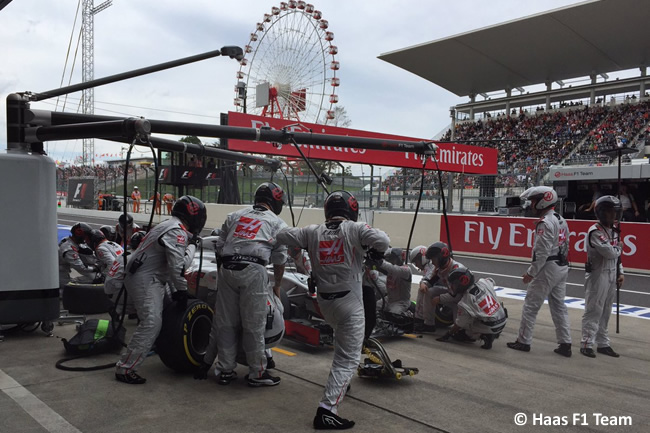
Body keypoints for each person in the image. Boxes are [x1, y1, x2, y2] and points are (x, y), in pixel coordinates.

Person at [276, 190, 389, 430]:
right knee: (348, 358)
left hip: (325, 303)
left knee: (340, 342)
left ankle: (341, 383)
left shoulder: (311, 231)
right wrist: (373, 252)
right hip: (350, 302)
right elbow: (383, 241)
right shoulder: (355, 229)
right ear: (352, 210)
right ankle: (327, 410)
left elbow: (283, 235)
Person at [196, 182, 288, 387]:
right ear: (276, 202)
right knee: (254, 325)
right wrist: (277, 286)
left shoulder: (234, 215)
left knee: (226, 323)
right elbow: (280, 260)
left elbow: (219, 245)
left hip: (227, 268)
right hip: (254, 269)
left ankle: (225, 370)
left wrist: (224, 271)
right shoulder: (277, 223)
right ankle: (257, 372)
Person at [115, 195, 206, 384]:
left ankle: (154, 346)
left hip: (149, 276)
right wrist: (181, 289)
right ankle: (125, 368)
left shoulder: (169, 225)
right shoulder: (176, 231)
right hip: (146, 279)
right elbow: (178, 267)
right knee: (152, 322)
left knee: (163, 317)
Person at [507, 186, 572, 357]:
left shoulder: (544, 223)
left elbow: (541, 252)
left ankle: (523, 341)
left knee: (530, 305)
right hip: (562, 266)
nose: (531, 205)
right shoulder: (561, 219)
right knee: (559, 306)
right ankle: (565, 343)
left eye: (534, 201)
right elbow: (566, 244)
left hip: (547, 268)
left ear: (545, 200)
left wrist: (531, 272)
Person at [580, 196, 624, 358]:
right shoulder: (595, 231)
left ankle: (603, 343)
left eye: (615, 212)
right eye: (611, 212)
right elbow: (610, 253)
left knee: (606, 310)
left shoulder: (614, 231)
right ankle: (586, 343)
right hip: (597, 275)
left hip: (612, 273)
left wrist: (621, 272)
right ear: (601, 213)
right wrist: (619, 247)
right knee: (594, 310)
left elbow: (616, 258)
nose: (614, 216)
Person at [437, 265, 507, 350]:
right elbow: (491, 281)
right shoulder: (483, 282)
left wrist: (448, 334)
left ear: (461, 283)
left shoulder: (465, 301)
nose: (452, 287)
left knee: (465, 328)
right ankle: (490, 331)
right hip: (503, 318)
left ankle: (483, 335)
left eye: (454, 284)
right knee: (479, 313)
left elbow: (459, 324)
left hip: (492, 325)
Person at [87, 229, 126, 317]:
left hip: (118, 277)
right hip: (126, 273)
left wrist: (103, 275)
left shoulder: (100, 248)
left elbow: (112, 263)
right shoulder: (115, 244)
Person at [58, 222, 98, 288]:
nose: (86, 238)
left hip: (61, 270)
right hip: (60, 274)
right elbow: (81, 267)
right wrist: (95, 268)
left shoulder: (67, 240)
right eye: (86, 235)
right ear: (79, 233)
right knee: (66, 291)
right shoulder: (69, 249)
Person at [410, 245, 436, 333]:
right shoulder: (429, 266)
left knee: (423, 291)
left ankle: (421, 320)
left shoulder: (432, 265)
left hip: (446, 289)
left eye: (416, 261)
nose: (416, 264)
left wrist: (422, 283)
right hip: (441, 288)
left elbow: (427, 279)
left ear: (422, 257)